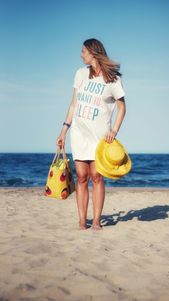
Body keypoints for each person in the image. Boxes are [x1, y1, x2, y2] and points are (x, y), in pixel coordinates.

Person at [56, 38, 126, 230]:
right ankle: (81, 221)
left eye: (83, 51)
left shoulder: (113, 79)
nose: (81, 54)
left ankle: (96, 221)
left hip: (100, 138)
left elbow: (122, 108)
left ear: (93, 53)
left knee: (97, 177)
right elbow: (73, 104)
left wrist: (114, 130)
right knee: (81, 176)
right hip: (79, 133)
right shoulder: (80, 74)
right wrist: (64, 129)